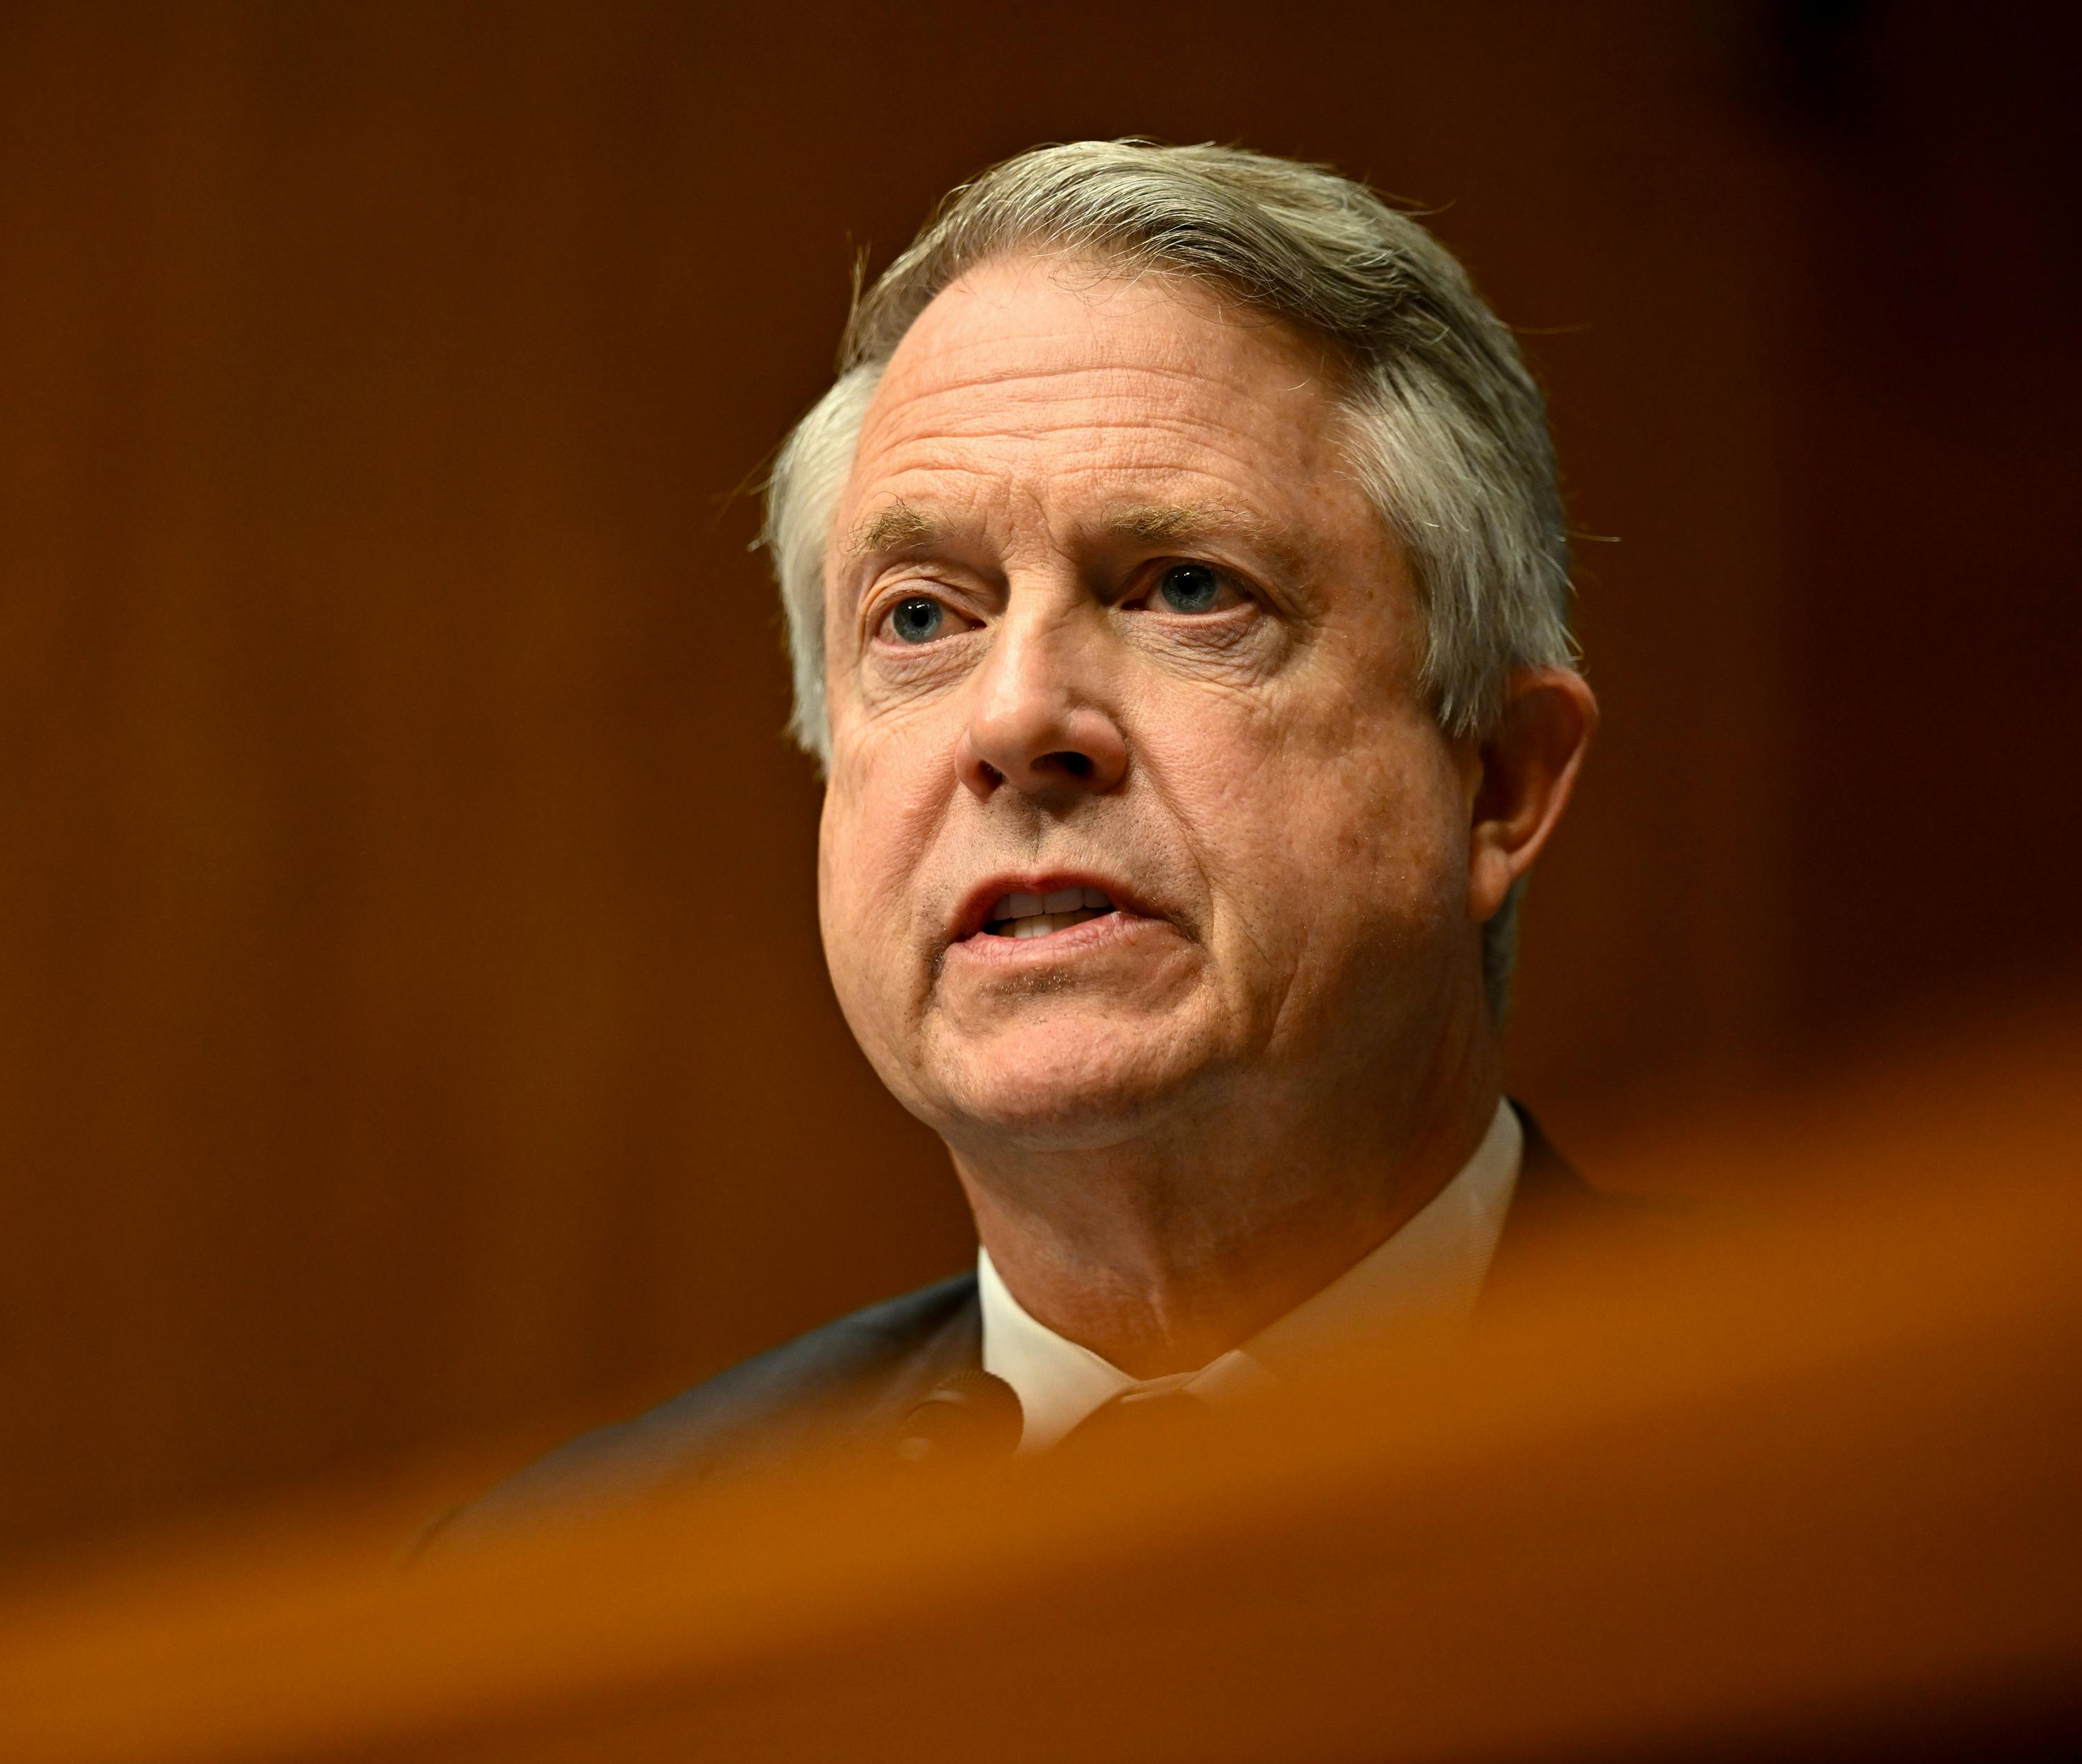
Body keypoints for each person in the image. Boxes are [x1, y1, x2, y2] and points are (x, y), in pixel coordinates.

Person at [437, 139, 1609, 1540]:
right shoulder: (577, 1580)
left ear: (1496, 783)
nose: (1015, 717)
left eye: (1186, 590)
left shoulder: (1805, 1444)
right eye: (920, 617)